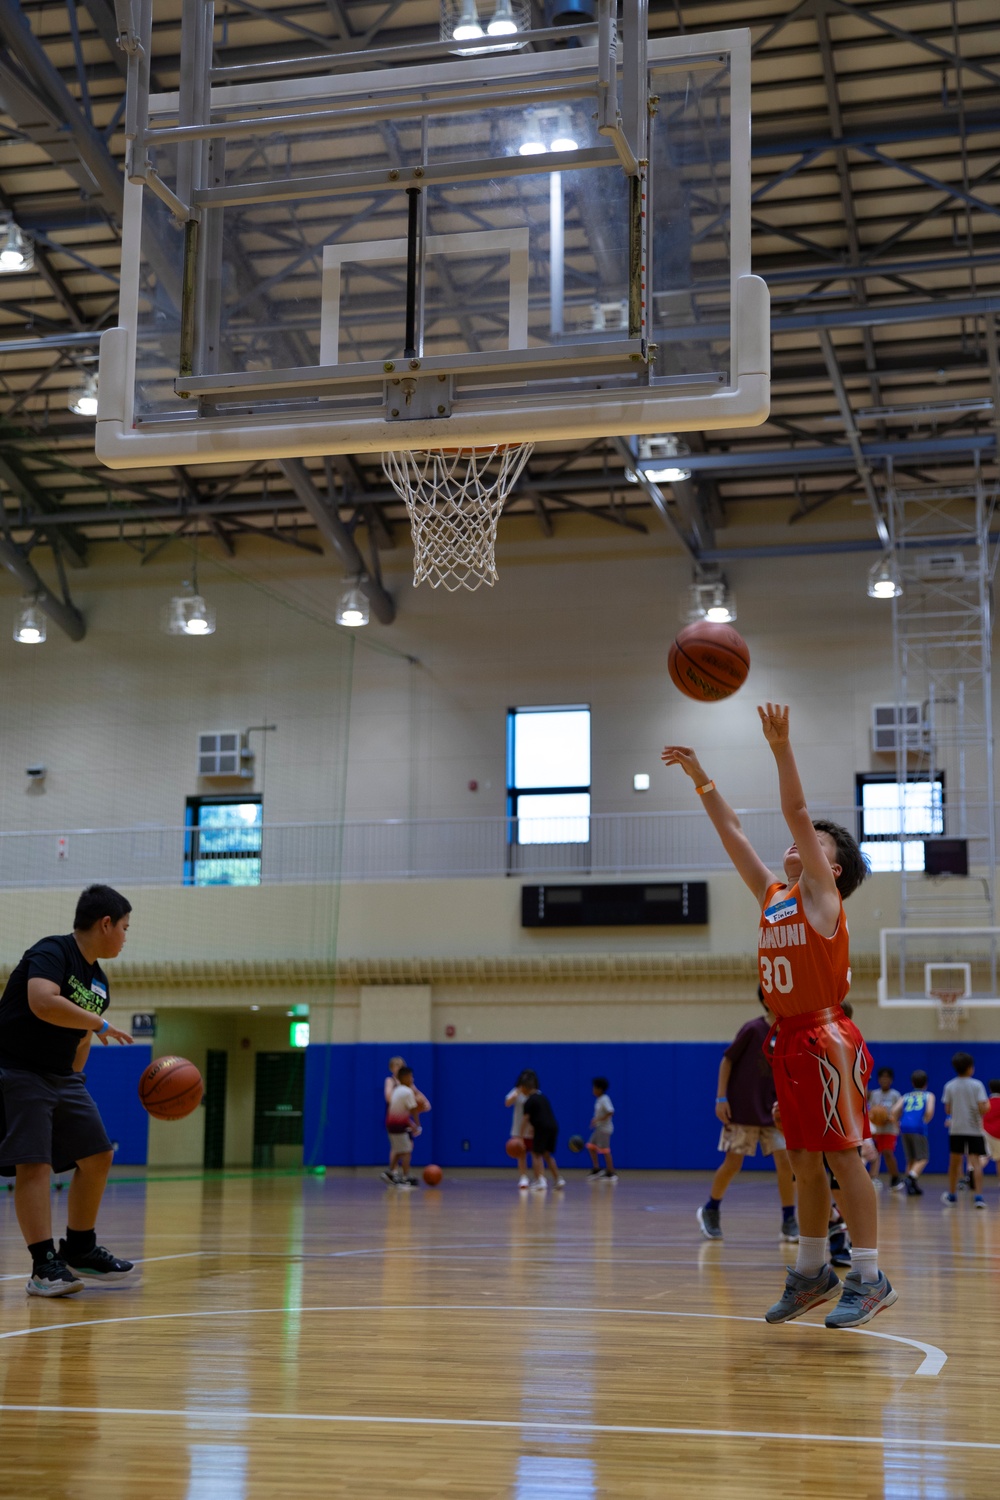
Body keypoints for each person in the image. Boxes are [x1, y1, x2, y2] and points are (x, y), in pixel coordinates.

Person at [663, 704, 896, 1330]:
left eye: (816, 841)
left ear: (833, 868)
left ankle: (869, 1277)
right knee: (799, 1158)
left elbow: (794, 811)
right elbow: (734, 834)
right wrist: (701, 779)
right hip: (786, 1039)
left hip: (827, 1037)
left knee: (844, 1156)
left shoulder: (823, 898)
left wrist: (782, 747)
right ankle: (814, 1270)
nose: (800, 838)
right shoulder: (773, 898)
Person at [0, 884, 137, 1297]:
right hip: (19, 1070)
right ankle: (44, 1266)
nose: (126, 937)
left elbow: (79, 1039)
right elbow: (42, 1001)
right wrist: (99, 1025)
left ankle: (79, 1249)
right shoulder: (53, 951)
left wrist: (76, 1078)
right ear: (106, 923)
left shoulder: (99, 982)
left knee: (97, 1155)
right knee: (34, 1163)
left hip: (63, 1077)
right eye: (126, 927)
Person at [697, 987, 798, 1244]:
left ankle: (789, 1219)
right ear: (766, 1000)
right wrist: (721, 1098)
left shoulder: (789, 1030)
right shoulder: (752, 1029)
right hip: (743, 1109)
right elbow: (727, 1061)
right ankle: (711, 1208)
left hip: (775, 1111)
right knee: (733, 1163)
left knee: (786, 1162)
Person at [941, 1052, 988, 1208]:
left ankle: (953, 1195)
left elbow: (947, 1109)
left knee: (954, 1163)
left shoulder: (949, 1085)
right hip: (974, 1129)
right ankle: (979, 1197)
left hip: (956, 1129)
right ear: (970, 1068)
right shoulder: (977, 1085)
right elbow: (983, 1107)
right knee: (976, 1163)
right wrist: (985, 1108)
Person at [382, 1065, 429, 1187]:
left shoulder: (397, 1090)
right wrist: (418, 1125)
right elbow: (413, 1109)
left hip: (390, 1124)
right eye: (411, 1077)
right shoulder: (408, 1092)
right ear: (406, 1077)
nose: (412, 1079)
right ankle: (405, 1177)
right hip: (398, 1126)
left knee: (398, 1149)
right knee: (407, 1151)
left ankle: (389, 1172)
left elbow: (402, 1112)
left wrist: (412, 1126)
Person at [520, 1070, 564, 1192]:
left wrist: (520, 1135)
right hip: (553, 1127)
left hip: (542, 1128)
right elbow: (543, 1115)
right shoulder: (542, 1097)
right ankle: (558, 1179)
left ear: (524, 1087)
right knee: (546, 1154)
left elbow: (525, 1119)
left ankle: (539, 1180)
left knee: (535, 1154)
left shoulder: (529, 1101)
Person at [895, 1069, 935, 1196]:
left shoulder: (905, 1096)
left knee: (911, 1159)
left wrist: (897, 1123)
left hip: (904, 1127)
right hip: (918, 1127)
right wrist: (924, 1121)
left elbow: (894, 1110)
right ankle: (910, 1177)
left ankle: (912, 1187)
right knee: (923, 1158)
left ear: (912, 1083)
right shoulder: (928, 1095)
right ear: (926, 1084)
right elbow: (929, 1111)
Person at [867, 1067, 904, 1192]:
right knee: (873, 1155)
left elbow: (898, 1112)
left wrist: (889, 1117)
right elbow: (871, 1112)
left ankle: (895, 1178)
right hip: (876, 1130)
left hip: (889, 1129)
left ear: (891, 1080)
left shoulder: (895, 1094)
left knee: (888, 1153)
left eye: (887, 1077)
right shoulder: (874, 1094)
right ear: (878, 1080)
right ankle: (872, 1178)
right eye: (882, 1077)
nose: (884, 1080)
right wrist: (876, 1118)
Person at [587, 1076, 617, 1182]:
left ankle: (611, 1173)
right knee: (591, 1146)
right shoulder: (599, 1100)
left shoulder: (605, 1099)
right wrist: (595, 1121)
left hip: (605, 1129)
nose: (593, 1090)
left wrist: (599, 1119)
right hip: (599, 1128)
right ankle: (597, 1168)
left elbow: (610, 1111)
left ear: (600, 1089)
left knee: (605, 1150)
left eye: (594, 1088)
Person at [505, 1078, 532, 1189]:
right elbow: (507, 1103)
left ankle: (539, 1178)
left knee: (536, 1154)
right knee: (521, 1154)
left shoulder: (535, 1093)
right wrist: (516, 1094)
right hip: (518, 1129)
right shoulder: (516, 1092)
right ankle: (523, 1178)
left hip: (531, 1128)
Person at [983, 1079, 1000, 1180]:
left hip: (985, 1132)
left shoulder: (986, 1102)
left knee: (983, 1157)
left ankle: (971, 1172)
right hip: (999, 1134)